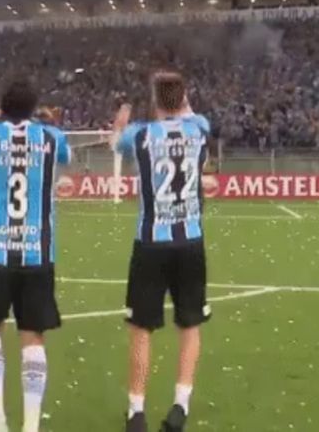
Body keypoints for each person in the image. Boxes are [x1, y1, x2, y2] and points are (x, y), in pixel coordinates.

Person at [0, 79, 72, 432]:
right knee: (32, 335)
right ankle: (30, 426)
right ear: (33, 107)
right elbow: (66, 155)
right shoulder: (51, 138)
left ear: (2, 107)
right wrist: (43, 120)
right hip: (37, 253)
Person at [112, 71, 212, 432]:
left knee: (141, 328)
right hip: (190, 241)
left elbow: (116, 143)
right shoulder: (199, 127)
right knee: (189, 325)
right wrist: (177, 98)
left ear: (153, 100)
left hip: (151, 242)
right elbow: (187, 112)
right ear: (184, 97)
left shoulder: (138, 135)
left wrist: (119, 123)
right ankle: (180, 407)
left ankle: (136, 412)